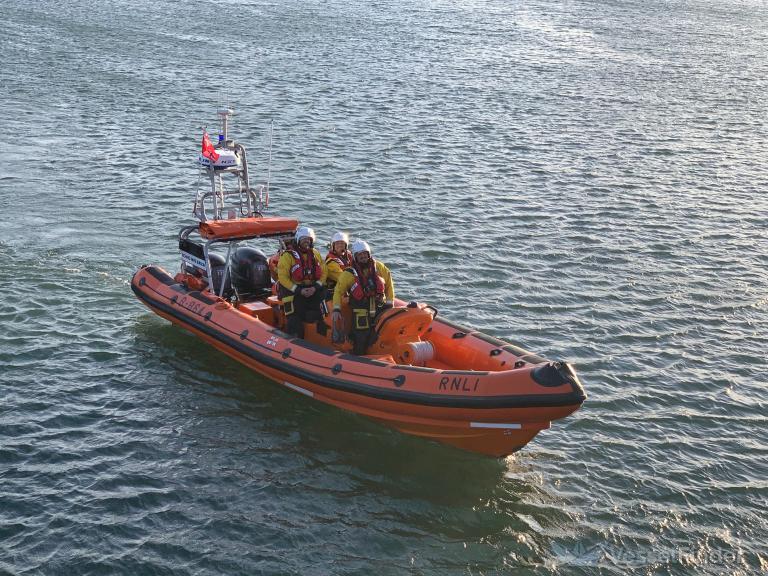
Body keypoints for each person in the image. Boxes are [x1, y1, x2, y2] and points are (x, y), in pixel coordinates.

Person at [332, 239, 394, 354]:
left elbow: (389, 284)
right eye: (360, 255)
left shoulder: (379, 267)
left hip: (379, 307)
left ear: (369, 254)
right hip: (361, 311)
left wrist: (390, 302)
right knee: (360, 339)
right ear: (355, 257)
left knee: (383, 333)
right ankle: (357, 359)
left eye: (365, 254)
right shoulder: (349, 274)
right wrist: (336, 309)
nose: (363, 257)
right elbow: (338, 291)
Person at [277, 226, 328, 338]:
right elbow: (282, 278)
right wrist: (299, 290)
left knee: (319, 315)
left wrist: (315, 287)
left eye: (309, 239)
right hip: (294, 292)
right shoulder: (287, 256)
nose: (306, 241)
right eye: (304, 239)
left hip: (312, 290)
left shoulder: (315, 254)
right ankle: (294, 339)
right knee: (294, 320)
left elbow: (324, 273)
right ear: (298, 240)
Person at [324, 231, 352, 300]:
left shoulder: (349, 256)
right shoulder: (331, 262)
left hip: (350, 286)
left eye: (342, 243)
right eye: (337, 243)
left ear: (346, 245)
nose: (340, 245)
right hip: (334, 292)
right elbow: (342, 279)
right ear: (333, 245)